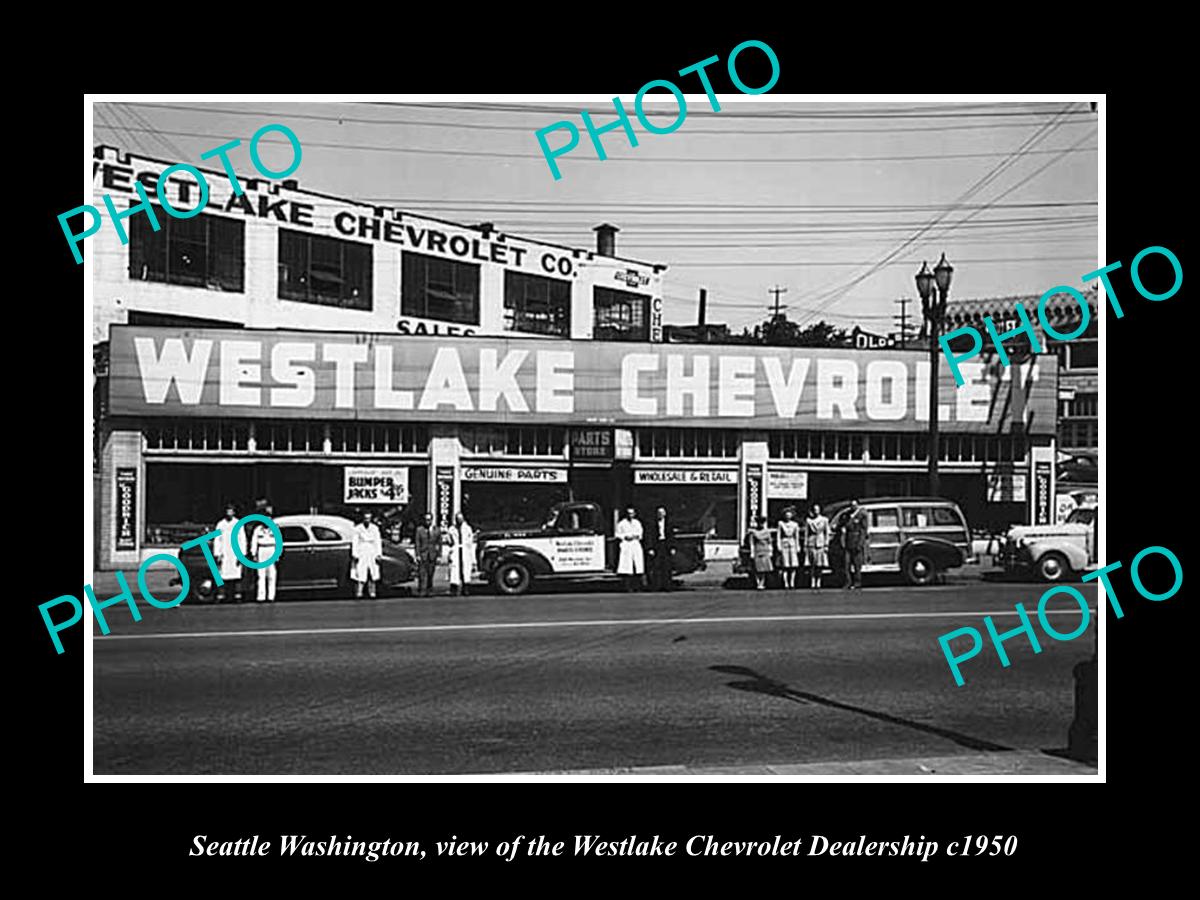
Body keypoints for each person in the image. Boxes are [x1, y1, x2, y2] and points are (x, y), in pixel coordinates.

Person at [212, 504, 247, 603]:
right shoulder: (220, 524)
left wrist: (242, 554)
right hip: (224, 552)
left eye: (231, 511)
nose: (229, 513)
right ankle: (221, 595)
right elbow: (217, 539)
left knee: (236, 575)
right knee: (223, 575)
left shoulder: (238, 523)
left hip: (235, 553)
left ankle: (237, 595)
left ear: (234, 512)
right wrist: (217, 553)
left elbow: (242, 539)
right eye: (227, 511)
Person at [251, 502, 280, 602]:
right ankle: (261, 596)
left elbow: (278, 542)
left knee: (272, 574)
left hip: (271, 550)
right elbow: (254, 542)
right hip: (262, 550)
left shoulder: (275, 529)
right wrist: (254, 553)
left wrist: (277, 555)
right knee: (261, 575)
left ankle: (271, 596)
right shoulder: (258, 530)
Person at [351, 510, 384, 599]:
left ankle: (372, 592)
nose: (367, 520)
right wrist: (355, 553)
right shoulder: (358, 528)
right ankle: (359, 592)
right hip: (362, 550)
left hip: (372, 551)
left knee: (373, 572)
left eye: (369, 518)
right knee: (360, 572)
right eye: (366, 518)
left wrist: (378, 554)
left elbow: (377, 541)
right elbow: (355, 541)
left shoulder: (374, 528)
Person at [841, 499, 869, 590]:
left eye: (854, 505)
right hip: (848, 542)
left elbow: (863, 530)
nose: (853, 507)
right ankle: (848, 582)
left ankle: (857, 582)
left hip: (857, 541)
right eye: (851, 505)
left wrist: (860, 544)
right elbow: (844, 526)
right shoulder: (847, 515)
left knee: (857, 565)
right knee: (846, 564)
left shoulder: (862, 515)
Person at [615, 507, 645, 592]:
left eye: (632, 513)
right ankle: (628, 587)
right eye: (628, 513)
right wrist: (625, 536)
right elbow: (617, 534)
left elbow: (640, 533)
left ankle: (638, 587)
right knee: (627, 566)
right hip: (626, 545)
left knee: (638, 565)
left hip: (635, 544)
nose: (630, 515)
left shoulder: (637, 523)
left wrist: (635, 536)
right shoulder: (621, 523)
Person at [447, 511, 476, 596]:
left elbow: (470, 541)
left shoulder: (468, 528)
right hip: (456, 550)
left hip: (465, 550)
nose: (459, 520)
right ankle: (454, 590)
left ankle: (465, 588)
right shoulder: (452, 529)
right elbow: (449, 540)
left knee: (465, 570)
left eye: (460, 519)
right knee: (455, 571)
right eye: (457, 519)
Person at [646, 506, 674, 592]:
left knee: (667, 566)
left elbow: (671, 536)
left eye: (662, 513)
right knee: (656, 566)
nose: (660, 515)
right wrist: (650, 548)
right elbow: (649, 536)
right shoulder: (652, 524)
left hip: (665, 545)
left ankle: (667, 586)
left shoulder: (669, 524)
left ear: (665, 514)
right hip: (657, 545)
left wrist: (672, 547)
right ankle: (657, 586)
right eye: (659, 513)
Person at [414, 513, 442, 597]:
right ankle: (422, 590)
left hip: (432, 555)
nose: (428, 522)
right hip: (423, 554)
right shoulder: (419, 530)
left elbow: (439, 543)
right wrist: (417, 554)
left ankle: (430, 590)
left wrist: (439, 555)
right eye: (426, 520)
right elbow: (417, 543)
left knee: (430, 573)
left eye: (429, 520)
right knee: (422, 573)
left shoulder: (436, 530)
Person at [805, 503, 831, 590]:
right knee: (812, 563)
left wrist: (826, 544)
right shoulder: (809, 521)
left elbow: (827, 533)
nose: (816, 511)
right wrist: (805, 545)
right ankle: (812, 580)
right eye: (814, 509)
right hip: (811, 542)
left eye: (817, 509)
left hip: (820, 542)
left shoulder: (824, 520)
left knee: (819, 564)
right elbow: (806, 533)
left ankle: (819, 580)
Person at [745, 515, 774, 590]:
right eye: (759, 522)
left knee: (764, 568)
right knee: (757, 568)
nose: (760, 524)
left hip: (765, 550)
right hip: (757, 550)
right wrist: (752, 552)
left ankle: (762, 583)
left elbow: (770, 542)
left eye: (762, 523)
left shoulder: (767, 532)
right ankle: (758, 583)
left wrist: (770, 551)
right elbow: (751, 543)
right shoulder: (753, 532)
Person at [776, 508, 802, 589]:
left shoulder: (795, 524)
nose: (788, 516)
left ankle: (792, 582)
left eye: (789, 515)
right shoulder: (780, 524)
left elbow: (796, 536)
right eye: (786, 515)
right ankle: (785, 583)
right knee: (785, 565)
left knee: (793, 565)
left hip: (792, 544)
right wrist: (778, 545)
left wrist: (798, 546)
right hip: (784, 544)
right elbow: (778, 535)